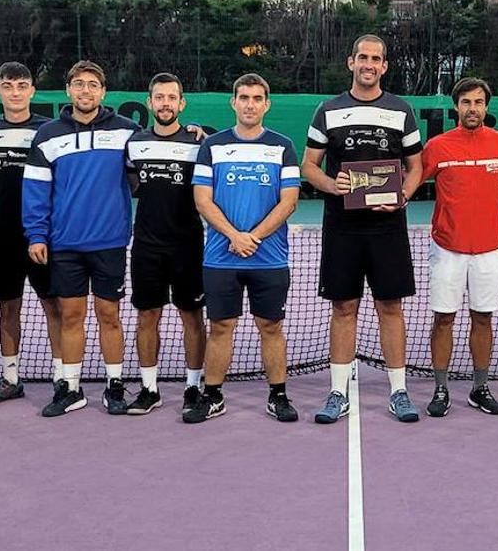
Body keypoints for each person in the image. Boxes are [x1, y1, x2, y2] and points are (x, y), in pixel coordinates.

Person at [302, 34, 424, 424]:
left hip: (388, 226)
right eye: (362, 57)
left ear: (384, 66)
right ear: (350, 62)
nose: (369, 64)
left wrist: (402, 195)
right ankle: (338, 392)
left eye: (376, 59)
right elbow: (309, 166)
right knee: (344, 307)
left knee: (391, 306)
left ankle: (399, 392)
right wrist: (330, 184)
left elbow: (415, 167)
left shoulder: (401, 111)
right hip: (343, 226)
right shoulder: (328, 110)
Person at [23, 60, 139, 417]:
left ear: (103, 92)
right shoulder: (47, 134)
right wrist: (36, 235)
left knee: (110, 315)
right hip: (65, 244)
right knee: (70, 316)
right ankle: (70, 388)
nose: (85, 90)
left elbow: (151, 162)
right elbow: (36, 189)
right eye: (78, 84)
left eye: (92, 84)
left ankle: (114, 385)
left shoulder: (128, 132)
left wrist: (192, 131)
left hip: (109, 242)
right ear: (68, 90)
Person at [188, 73, 301, 423]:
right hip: (221, 258)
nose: (250, 104)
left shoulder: (283, 146)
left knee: (271, 326)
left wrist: (252, 237)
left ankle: (278, 395)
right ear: (233, 102)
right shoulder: (213, 146)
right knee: (221, 326)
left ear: (266, 104)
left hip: (269, 257)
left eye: (256, 98)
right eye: (244, 98)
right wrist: (234, 236)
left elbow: (289, 202)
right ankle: (213, 395)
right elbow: (202, 200)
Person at [420, 76, 498, 417]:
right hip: (447, 249)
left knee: (483, 318)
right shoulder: (438, 146)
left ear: (486, 107)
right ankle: (441, 388)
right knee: (443, 319)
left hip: (490, 249)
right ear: (455, 107)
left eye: (478, 102)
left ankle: (479, 388)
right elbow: (411, 178)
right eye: (466, 103)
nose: (472, 108)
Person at [122, 72, 206, 416]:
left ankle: (192, 386)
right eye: (160, 97)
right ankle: (149, 389)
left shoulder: (200, 142)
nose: (166, 103)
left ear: (181, 103)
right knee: (147, 316)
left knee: (192, 317)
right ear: (150, 102)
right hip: (146, 245)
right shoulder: (134, 143)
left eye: (172, 98)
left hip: (188, 245)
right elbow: (128, 183)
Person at [0, 62, 54, 404]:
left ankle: (62, 379)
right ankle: (10, 378)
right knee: (8, 309)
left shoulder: (49, 131)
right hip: (2, 236)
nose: (15, 92)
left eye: (22, 85)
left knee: (53, 306)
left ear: (32, 91)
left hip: (43, 234)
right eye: (8, 86)